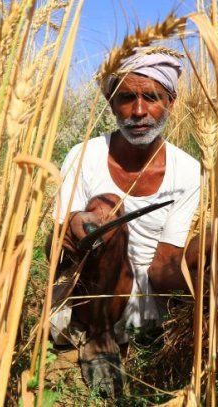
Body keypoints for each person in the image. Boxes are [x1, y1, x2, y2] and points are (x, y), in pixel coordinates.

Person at [50, 47, 202, 395]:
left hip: (144, 306)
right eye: (126, 98)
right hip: (87, 302)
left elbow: (163, 268)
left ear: (170, 101)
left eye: (151, 97)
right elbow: (54, 255)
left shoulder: (188, 170)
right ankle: (99, 342)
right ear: (110, 102)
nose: (138, 111)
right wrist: (74, 231)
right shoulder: (84, 155)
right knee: (107, 206)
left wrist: (212, 250)